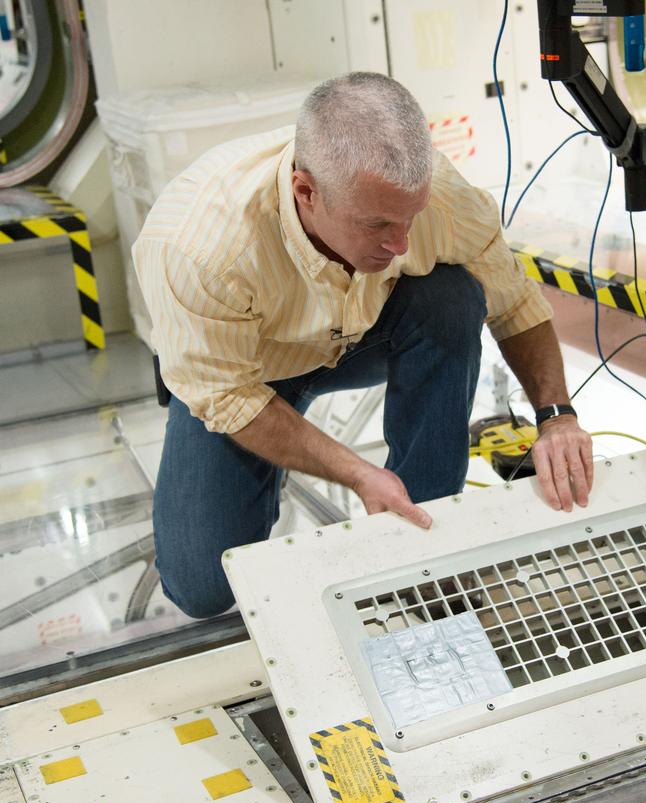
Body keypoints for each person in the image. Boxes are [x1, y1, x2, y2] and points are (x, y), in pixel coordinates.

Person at [134, 72, 594, 618]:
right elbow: (230, 397)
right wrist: (358, 472)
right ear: (306, 192)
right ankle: (268, 463)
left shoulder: (441, 198)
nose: (400, 243)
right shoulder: (199, 246)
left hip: (360, 335)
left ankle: (427, 531)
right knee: (204, 587)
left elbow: (515, 303)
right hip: (248, 372)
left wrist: (558, 414)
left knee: (451, 297)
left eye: (409, 219)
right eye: (377, 224)